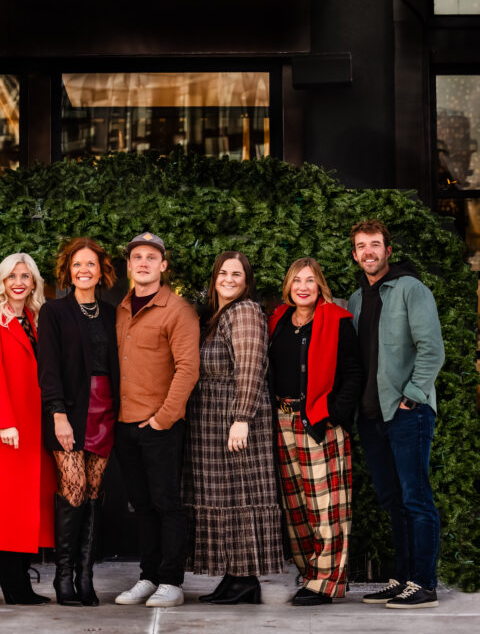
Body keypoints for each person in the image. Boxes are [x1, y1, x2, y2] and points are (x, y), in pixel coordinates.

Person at [348, 220, 444, 609]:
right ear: (355, 255)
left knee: (416, 497)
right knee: (393, 500)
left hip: (407, 413)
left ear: (388, 251)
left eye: (375, 244)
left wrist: (412, 398)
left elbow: (432, 349)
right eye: (361, 246)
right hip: (372, 417)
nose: (369, 251)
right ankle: (404, 579)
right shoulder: (355, 300)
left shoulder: (410, 289)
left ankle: (423, 584)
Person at [183, 251, 284, 604]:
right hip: (211, 420)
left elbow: (252, 366)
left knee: (241, 496)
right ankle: (233, 577)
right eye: (222, 273)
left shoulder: (244, 312)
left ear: (246, 281)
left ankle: (245, 580)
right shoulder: (218, 315)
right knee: (221, 498)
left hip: (234, 419)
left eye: (236, 274)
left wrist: (241, 418)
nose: (228, 279)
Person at [268, 257, 363, 606]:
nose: (303, 287)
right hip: (283, 421)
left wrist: (333, 415)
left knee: (327, 508)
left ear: (320, 284)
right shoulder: (278, 320)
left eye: (310, 280)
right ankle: (310, 574)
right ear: (289, 287)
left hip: (318, 421)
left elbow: (353, 372)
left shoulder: (338, 321)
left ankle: (327, 581)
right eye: (297, 281)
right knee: (296, 508)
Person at [114, 232, 200, 609]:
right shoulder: (120, 308)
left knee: (167, 504)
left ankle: (171, 581)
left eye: (152, 257)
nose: (144, 263)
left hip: (160, 426)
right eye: (137, 257)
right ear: (129, 266)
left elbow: (188, 369)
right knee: (142, 506)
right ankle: (148, 577)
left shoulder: (178, 310)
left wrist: (163, 419)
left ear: (163, 265)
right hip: (124, 424)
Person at [0, 253, 56, 604]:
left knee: (25, 506)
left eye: (25, 275)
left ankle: (21, 585)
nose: (18, 281)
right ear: (2, 282)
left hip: (33, 425)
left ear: (34, 282)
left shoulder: (33, 318)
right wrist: (5, 422)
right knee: (6, 508)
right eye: (11, 276)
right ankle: (14, 587)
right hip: (5, 427)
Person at [37, 238, 119, 606]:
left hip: (105, 411)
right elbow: (48, 368)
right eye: (76, 265)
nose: (83, 270)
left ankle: (86, 578)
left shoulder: (112, 312)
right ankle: (63, 577)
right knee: (73, 488)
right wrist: (58, 414)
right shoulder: (54, 311)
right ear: (67, 271)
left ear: (101, 271)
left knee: (93, 494)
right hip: (69, 411)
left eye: (90, 264)